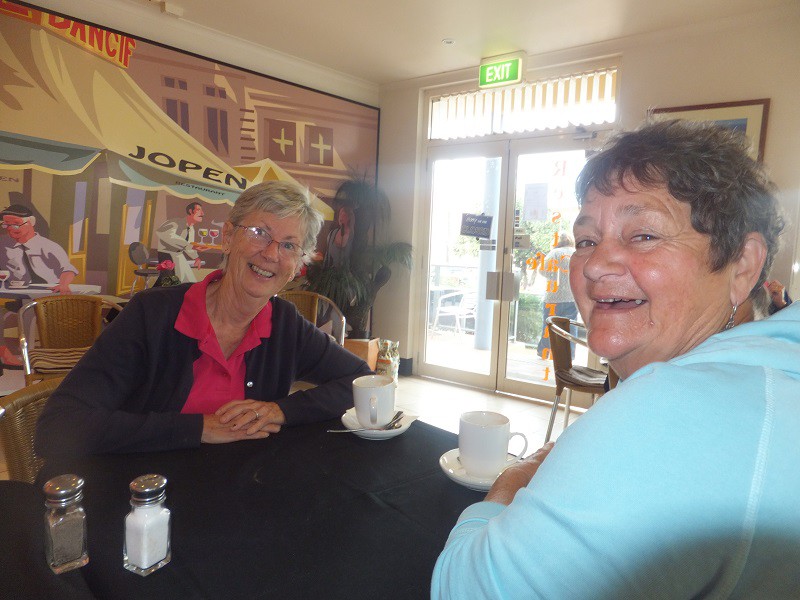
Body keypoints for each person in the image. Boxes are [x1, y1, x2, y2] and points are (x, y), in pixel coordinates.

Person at [432, 120, 800, 598]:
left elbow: (464, 589)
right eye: (586, 240)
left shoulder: (671, 407)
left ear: (743, 265)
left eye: (643, 235)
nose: (595, 264)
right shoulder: (771, 375)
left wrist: (510, 482)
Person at [35, 181, 373, 457]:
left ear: (297, 265)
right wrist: (198, 428)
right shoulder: (151, 315)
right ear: (228, 237)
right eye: (259, 232)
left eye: (289, 246)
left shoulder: (285, 323)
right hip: (146, 495)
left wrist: (280, 410)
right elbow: (58, 427)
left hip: (243, 493)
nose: (271, 254)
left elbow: (362, 381)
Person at [0, 204, 78, 293]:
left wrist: (63, 285)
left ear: (31, 222)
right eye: (6, 225)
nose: (10, 229)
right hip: (16, 292)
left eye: (16, 224)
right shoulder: (3, 243)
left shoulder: (49, 246)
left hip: (49, 292)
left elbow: (68, 270)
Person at [535, 232, 578, 359]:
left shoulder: (554, 253)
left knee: (549, 325)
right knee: (570, 326)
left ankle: (544, 351)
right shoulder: (575, 253)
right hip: (571, 297)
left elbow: (543, 271)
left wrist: (554, 276)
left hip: (553, 297)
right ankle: (569, 355)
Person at [154, 201, 207, 284]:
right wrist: (190, 246)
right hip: (167, 255)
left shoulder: (191, 229)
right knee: (169, 282)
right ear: (190, 211)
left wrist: (196, 258)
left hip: (178, 256)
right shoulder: (174, 223)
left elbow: (189, 246)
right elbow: (165, 234)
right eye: (199, 210)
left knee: (188, 280)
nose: (202, 213)